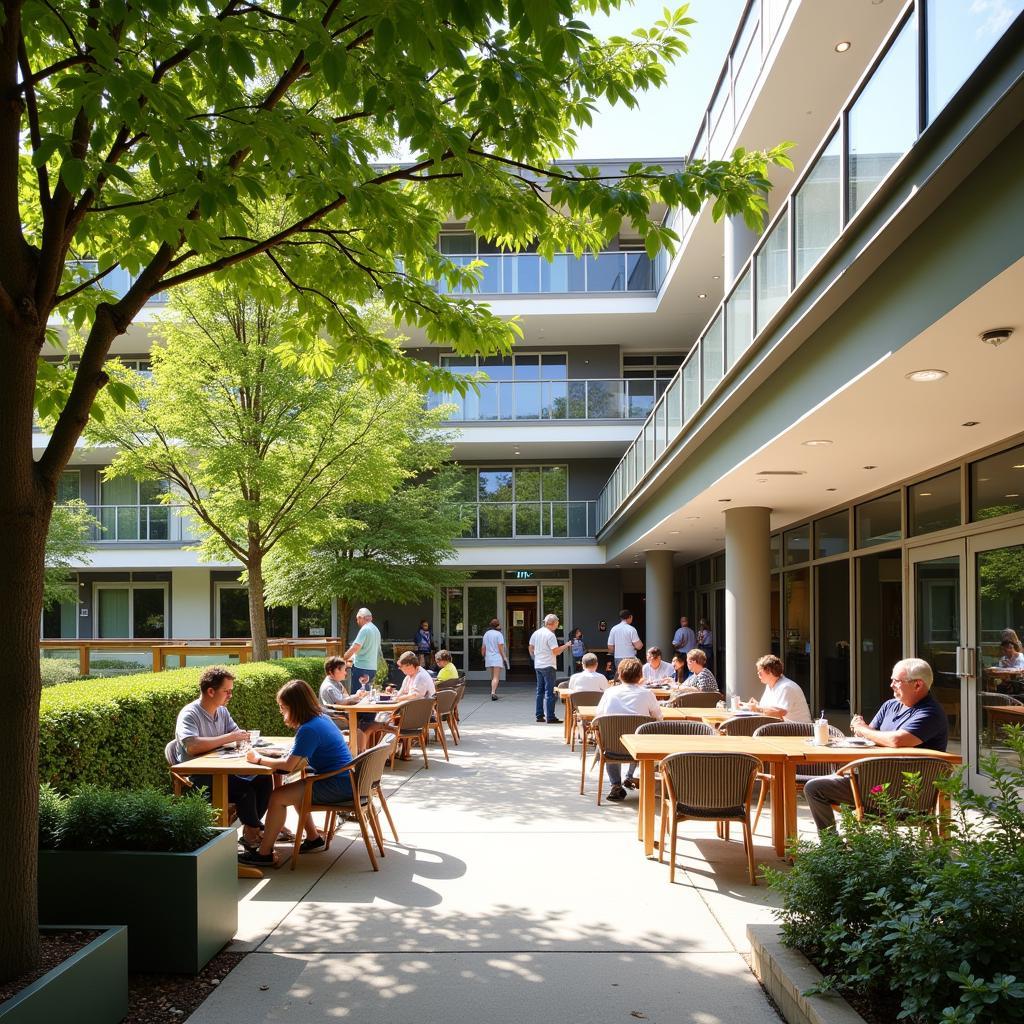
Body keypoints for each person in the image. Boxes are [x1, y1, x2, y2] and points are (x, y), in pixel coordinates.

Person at [803, 658, 949, 832]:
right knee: (817, 785)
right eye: (892, 680)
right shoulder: (890, 706)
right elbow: (869, 738)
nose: (891, 685)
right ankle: (835, 849)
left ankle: (833, 850)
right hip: (873, 781)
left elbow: (897, 740)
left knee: (815, 788)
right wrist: (862, 731)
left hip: (907, 791)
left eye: (897, 681)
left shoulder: (931, 713)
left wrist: (862, 729)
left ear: (918, 685)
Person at [240, 679, 354, 866]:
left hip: (338, 785)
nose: (281, 711)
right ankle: (313, 838)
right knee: (294, 791)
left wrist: (258, 759)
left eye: (283, 707)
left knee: (278, 797)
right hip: (344, 780)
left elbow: (288, 766)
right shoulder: (320, 719)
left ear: (295, 707)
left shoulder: (309, 729)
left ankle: (264, 854)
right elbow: (296, 756)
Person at [173, 666, 273, 855]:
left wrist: (245, 740)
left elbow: (237, 736)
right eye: (226, 691)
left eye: (231, 691)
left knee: (263, 779)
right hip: (199, 776)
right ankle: (255, 831)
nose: (230, 695)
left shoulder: (222, 712)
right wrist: (228, 738)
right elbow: (192, 746)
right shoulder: (190, 714)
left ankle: (252, 832)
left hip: (224, 770)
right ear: (211, 691)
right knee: (245, 791)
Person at [593, 657, 663, 800]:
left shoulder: (609, 692)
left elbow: (599, 715)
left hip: (612, 747)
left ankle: (616, 785)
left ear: (619, 674)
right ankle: (631, 776)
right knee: (643, 733)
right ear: (640, 676)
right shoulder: (647, 694)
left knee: (609, 736)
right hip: (640, 748)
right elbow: (659, 719)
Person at [374, 651, 437, 758]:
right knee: (382, 716)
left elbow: (415, 695)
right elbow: (402, 692)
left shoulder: (420, 676)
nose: (401, 669)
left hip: (420, 714)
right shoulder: (411, 675)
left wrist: (396, 698)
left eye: (402, 667)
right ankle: (395, 751)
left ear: (410, 665)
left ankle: (388, 753)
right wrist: (394, 694)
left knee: (382, 719)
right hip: (412, 710)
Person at [742, 654, 812, 723]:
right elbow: (771, 708)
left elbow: (779, 712)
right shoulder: (770, 685)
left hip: (800, 730)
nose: (758, 674)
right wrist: (757, 705)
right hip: (783, 727)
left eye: (760, 672)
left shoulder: (786, 687)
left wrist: (757, 709)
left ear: (769, 672)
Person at [529, 613, 570, 723]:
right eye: (557, 622)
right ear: (552, 623)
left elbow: (531, 647)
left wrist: (535, 658)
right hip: (548, 665)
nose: (558, 624)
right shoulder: (550, 635)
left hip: (538, 665)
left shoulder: (536, 633)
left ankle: (539, 715)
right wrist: (566, 645)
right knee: (549, 691)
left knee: (540, 691)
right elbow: (555, 651)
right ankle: (550, 716)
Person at [342, 607, 382, 690]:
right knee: (366, 695)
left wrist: (344, 658)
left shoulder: (365, 629)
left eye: (357, 619)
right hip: (372, 668)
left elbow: (355, 647)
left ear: (361, 618)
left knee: (358, 695)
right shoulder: (376, 629)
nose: (357, 622)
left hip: (361, 668)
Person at [481, 618, 509, 701]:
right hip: (497, 657)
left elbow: (483, 647)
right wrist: (504, 657)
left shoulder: (486, 634)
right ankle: (493, 692)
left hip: (489, 657)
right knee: (496, 677)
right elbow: (500, 648)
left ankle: (493, 691)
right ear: (497, 625)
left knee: (492, 676)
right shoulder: (499, 634)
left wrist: (483, 655)